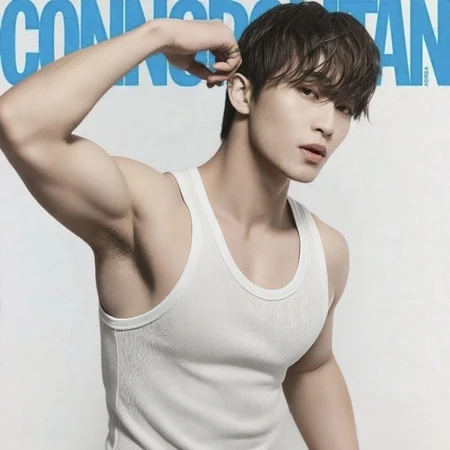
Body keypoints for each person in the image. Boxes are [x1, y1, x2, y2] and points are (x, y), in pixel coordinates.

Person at [0, 2, 380, 449]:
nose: (328, 124)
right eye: (309, 91)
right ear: (242, 93)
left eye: (344, 107)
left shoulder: (326, 253)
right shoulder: (153, 210)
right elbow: (19, 124)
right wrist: (157, 35)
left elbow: (311, 367)